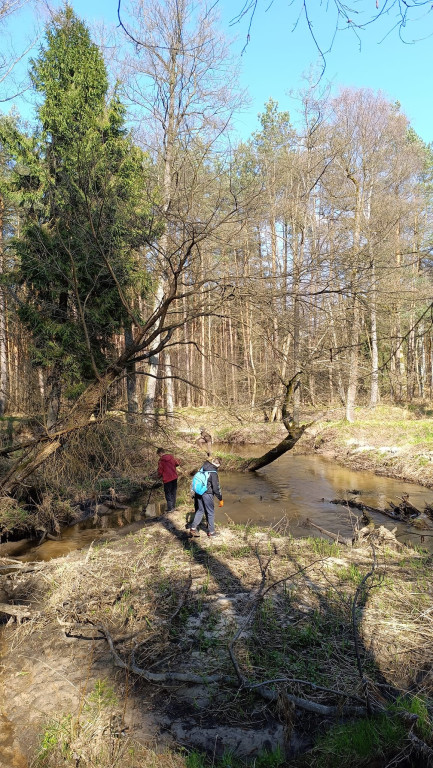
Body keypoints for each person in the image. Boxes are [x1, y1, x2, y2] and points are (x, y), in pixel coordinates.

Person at [189, 457, 223, 538]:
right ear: (218, 464)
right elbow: (216, 488)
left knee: (200, 510)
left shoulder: (203, 467)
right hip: (207, 494)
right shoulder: (213, 472)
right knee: (210, 512)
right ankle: (211, 533)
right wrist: (220, 498)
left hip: (198, 492)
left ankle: (193, 528)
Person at [156, 447, 180, 512]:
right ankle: (173, 507)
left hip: (167, 479)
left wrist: (158, 476)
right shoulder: (171, 457)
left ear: (160, 453)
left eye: (158, 454)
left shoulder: (161, 461)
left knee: (168, 493)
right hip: (174, 477)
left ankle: (170, 508)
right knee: (173, 492)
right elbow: (177, 463)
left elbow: (160, 471)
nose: (158, 456)